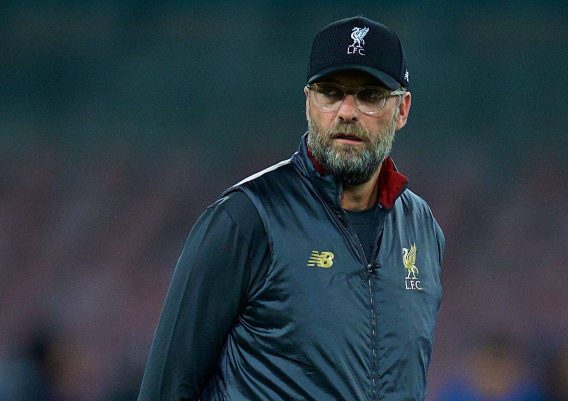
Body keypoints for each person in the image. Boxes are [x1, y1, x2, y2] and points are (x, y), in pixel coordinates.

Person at [138, 16, 444, 401]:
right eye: (331, 93)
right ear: (309, 103)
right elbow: (166, 388)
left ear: (402, 110)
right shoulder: (247, 218)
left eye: (369, 95)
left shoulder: (422, 229)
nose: (347, 111)